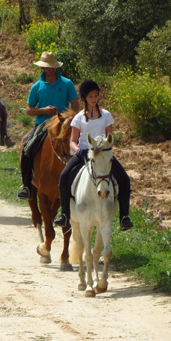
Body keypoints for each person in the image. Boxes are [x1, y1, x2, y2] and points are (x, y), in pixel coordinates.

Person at [54, 79, 133, 231]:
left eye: (95, 95)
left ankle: (124, 216)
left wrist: (106, 149)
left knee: (124, 178)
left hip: (102, 154)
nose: (94, 99)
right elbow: (72, 142)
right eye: (90, 96)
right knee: (64, 176)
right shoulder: (78, 118)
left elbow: (110, 138)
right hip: (84, 153)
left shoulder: (106, 115)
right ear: (84, 98)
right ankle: (64, 214)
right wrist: (79, 150)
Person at [16, 52, 79, 200]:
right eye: (46, 67)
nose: (49, 69)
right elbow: (29, 110)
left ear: (56, 67)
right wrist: (43, 110)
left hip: (62, 124)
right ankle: (26, 184)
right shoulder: (36, 87)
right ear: (42, 68)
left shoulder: (67, 83)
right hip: (42, 124)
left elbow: (75, 104)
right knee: (26, 145)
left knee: (80, 147)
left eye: (52, 67)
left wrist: (67, 117)